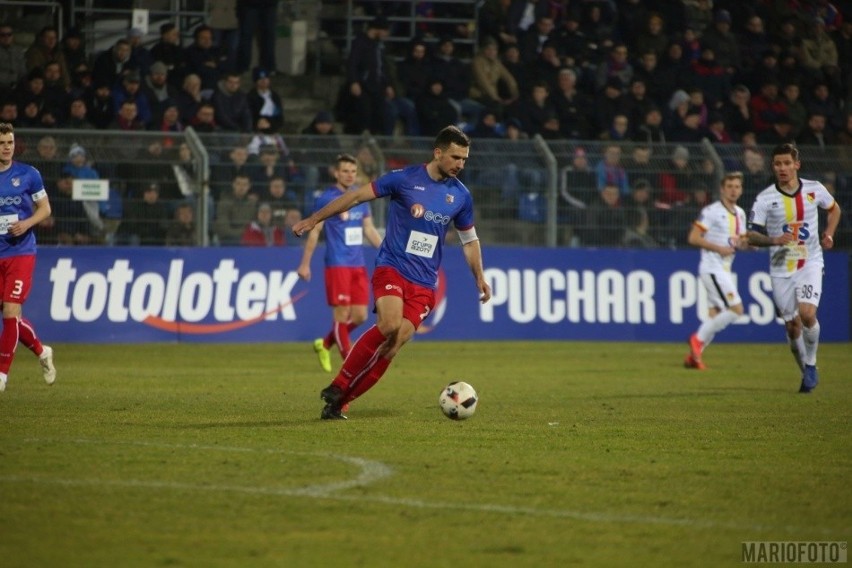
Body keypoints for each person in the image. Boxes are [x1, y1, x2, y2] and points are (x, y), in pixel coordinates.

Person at [292, 126, 492, 420]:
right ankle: (339, 384)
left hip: (424, 282)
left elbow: (469, 240)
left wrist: (479, 276)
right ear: (438, 153)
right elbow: (357, 197)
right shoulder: (404, 179)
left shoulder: (461, 196)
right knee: (388, 324)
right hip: (392, 268)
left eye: (464, 159)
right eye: (455, 157)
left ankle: (339, 402)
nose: (460, 164)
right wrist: (314, 219)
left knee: (394, 344)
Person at [746, 143, 841, 393]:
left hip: (810, 260)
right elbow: (751, 235)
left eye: (787, 163)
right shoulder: (766, 198)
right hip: (780, 266)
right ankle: (806, 373)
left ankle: (811, 364)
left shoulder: (814, 189)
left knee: (808, 314)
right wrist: (773, 239)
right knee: (792, 326)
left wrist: (829, 234)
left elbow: (834, 209)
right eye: (778, 164)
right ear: (773, 166)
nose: (782, 168)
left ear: (797, 164)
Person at [297, 153, 383, 373]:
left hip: (358, 264)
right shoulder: (327, 199)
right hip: (337, 263)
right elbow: (315, 231)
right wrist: (305, 263)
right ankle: (350, 363)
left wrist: (387, 251)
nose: (349, 175)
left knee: (361, 316)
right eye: (345, 171)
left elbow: (369, 230)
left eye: (353, 171)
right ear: (336, 173)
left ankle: (324, 344)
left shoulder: (361, 198)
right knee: (341, 315)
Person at [0, 123, 56, 392]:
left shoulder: (28, 174)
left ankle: (1, 375)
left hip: (21, 251)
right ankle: (42, 351)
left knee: (11, 310)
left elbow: (45, 208)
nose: (7, 147)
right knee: (10, 317)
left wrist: (27, 223)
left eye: (10, 142)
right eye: (2, 143)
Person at [684, 172, 749, 370]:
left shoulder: (740, 213)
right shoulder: (711, 211)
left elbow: (741, 242)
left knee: (715, 313)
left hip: (725, 269)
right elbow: (694, 238)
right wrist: (719, 248)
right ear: (722, 189)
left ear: (741, 190)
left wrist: (748, 244)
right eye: (729, 186)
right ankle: (697, 339)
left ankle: (694, 358)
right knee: (736, 310)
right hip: (712, 268)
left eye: (737, 186)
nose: (733, 190)